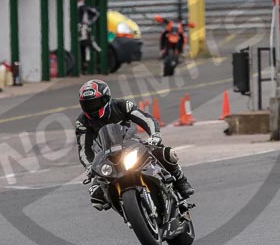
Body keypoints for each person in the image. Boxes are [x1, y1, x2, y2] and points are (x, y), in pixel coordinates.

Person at [75, 79, 194, 210]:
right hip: (105, 156)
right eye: (87, 104)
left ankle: (180, 180)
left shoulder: (122, 105)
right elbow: (83, 149)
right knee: (96, 195)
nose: (92, 107)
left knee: (165, 153)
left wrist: (155, 136)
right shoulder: (82, 122)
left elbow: (146, 119)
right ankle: (124, 208)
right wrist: (89, 166)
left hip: (131, 144)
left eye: (95, 102)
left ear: (106, 98)